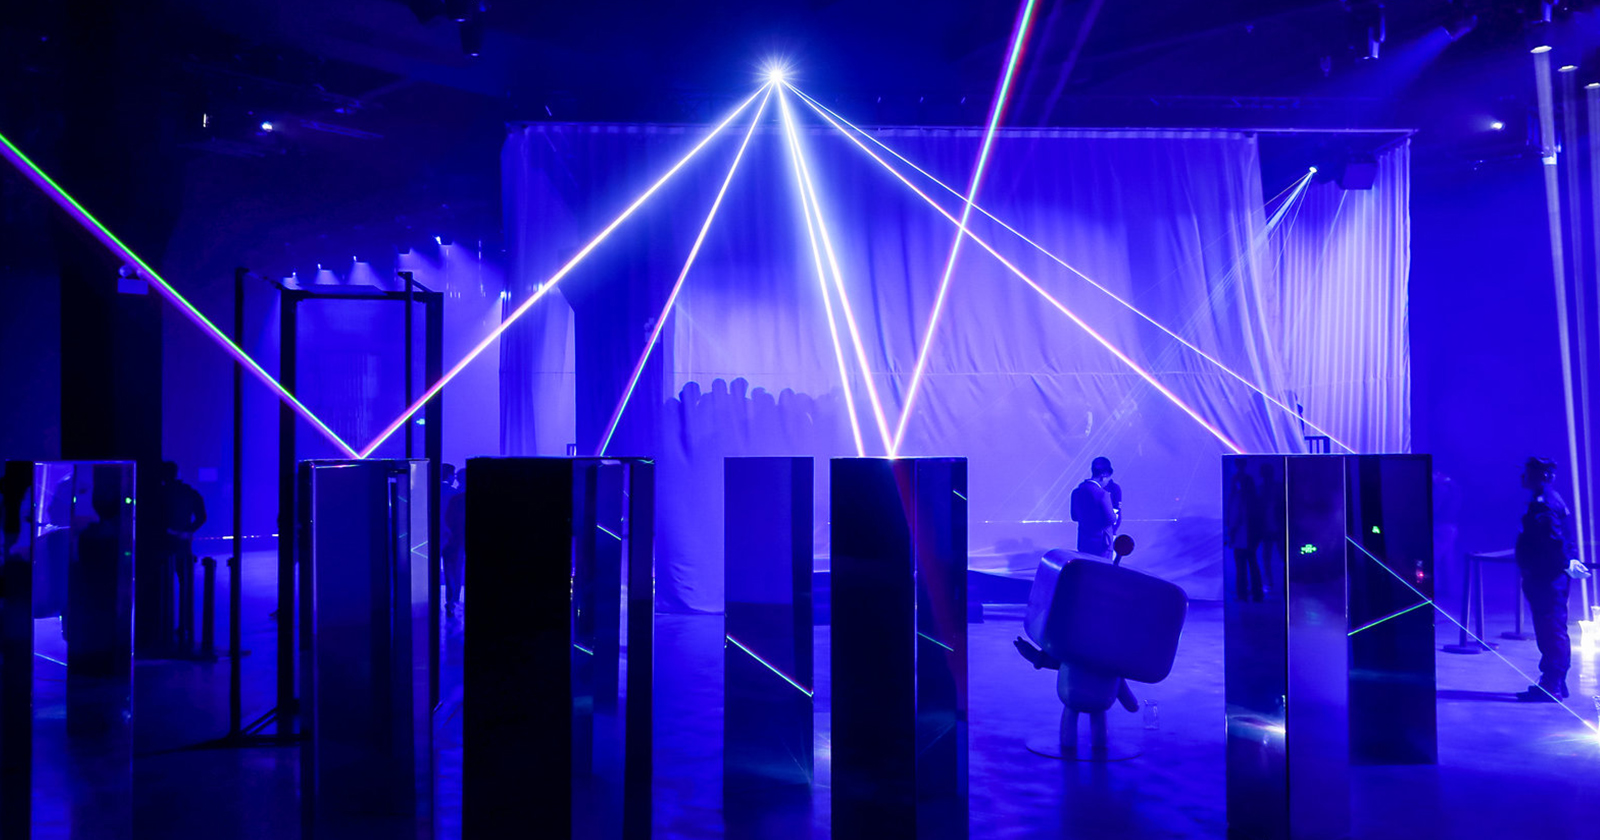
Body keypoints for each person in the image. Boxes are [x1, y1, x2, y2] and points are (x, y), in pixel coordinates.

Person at [1513, 457, 1586, 702]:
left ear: (1542, 477)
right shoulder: (1545, 500)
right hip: (1547, 576)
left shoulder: (1545, 504)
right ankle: (1555, 681)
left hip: (1547, 578)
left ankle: (1552, 683)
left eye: (1528, 473)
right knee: (1551, 627)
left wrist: (1561, 563)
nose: (1523, 477)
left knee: (1550, 629)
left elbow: (1555, 541)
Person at [1225, 460, 1262, 601]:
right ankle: (1257, 593)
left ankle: (1243, 594)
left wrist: (1231, 532)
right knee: (1252, 563)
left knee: (1241, 565)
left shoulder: (1238, 498)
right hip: (1251, 535)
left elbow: (1236, 517)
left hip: (1241, 535)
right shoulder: (1253, 499)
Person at [1070, 457, 1119, 559]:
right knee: (1102, 568)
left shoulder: (1076, 492)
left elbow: (1074, 517)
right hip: (1102, 544)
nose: (1107, 483)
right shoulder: (1103, 494)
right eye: (1108, 479)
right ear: (1104, 475)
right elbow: (1111, 519)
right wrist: (1115, 514)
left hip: (1084, 542)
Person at [443, 467, 467, 617]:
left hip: (452, 538)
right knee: (456, 568)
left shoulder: (456, 497)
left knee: (451, 569)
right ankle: (454, 599)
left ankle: (452, 600)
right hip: (458, 538)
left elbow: (450, 518)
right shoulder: (456, 495)